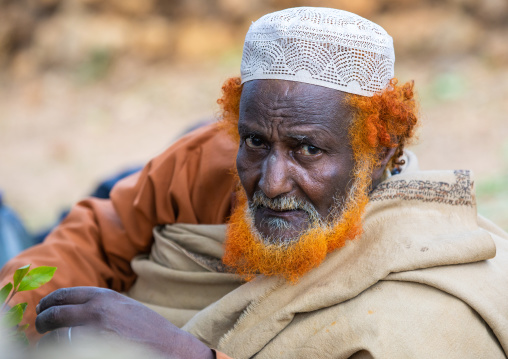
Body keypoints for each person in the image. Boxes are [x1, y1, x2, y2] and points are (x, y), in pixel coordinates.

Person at [1, 7, 508, 358]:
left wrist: (186, 353)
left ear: (381, 152)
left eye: (308, 149)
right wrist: (12, 320)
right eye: (256, 141)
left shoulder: (428, 304)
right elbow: (99, 230)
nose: (271, 180)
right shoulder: (212, 158)